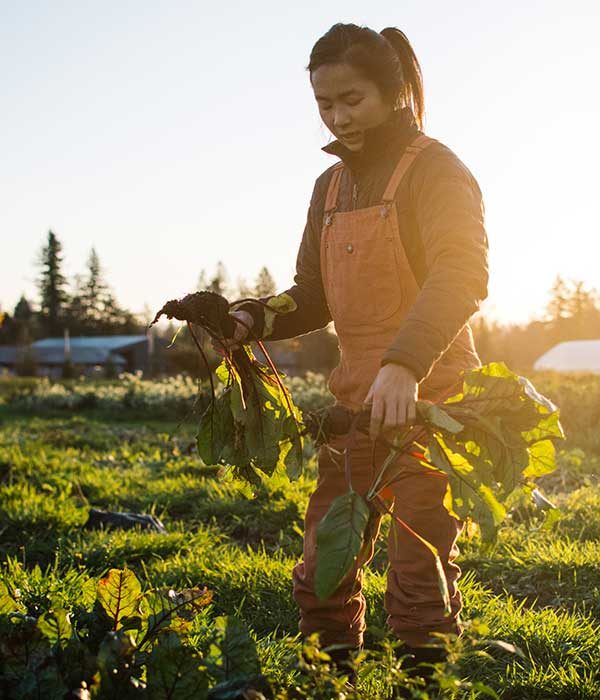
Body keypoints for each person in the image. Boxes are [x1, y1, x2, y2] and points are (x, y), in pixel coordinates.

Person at [221, 22, 488, 685]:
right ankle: (330, 680)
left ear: (396, 92)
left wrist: (405, 365)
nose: (339, 118)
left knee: (418, 576)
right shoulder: (330, 187)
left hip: (432, 406)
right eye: (324, 105)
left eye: (353, 100)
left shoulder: (436, 169)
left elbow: (462, 272)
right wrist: (252, 316)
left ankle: (424, 684)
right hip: (353, 411)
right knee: (323, 569)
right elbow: (312, 295)